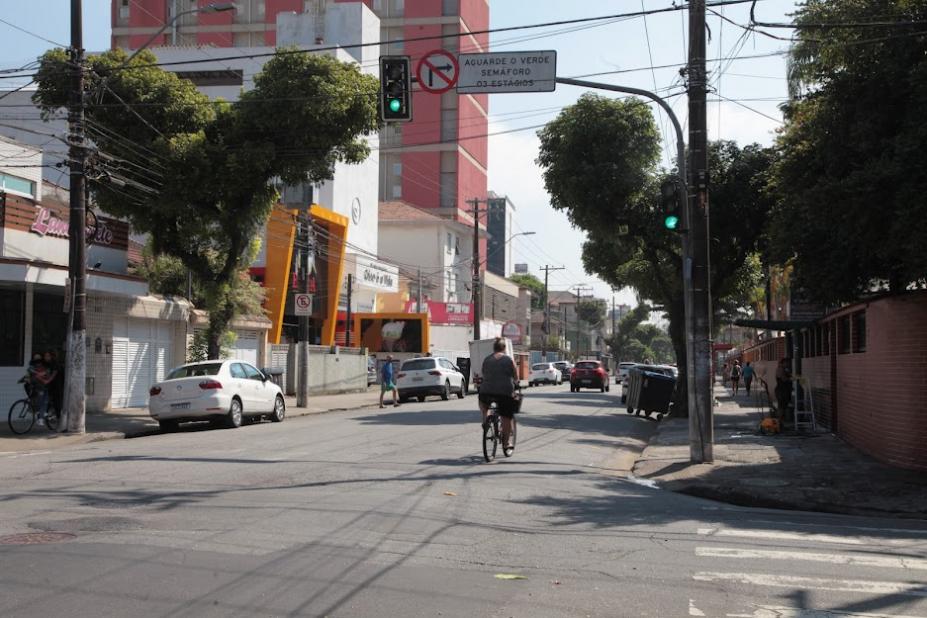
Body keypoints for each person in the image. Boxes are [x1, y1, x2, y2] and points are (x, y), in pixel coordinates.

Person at [478, 338, 520, 449]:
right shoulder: (509, 360)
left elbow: (483, 373)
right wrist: (516, 383)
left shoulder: (487, 359)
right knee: (506, 416)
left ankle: (485, 419)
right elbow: (516, 377)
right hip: (504, 392)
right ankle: (506, 443)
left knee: (483, 404)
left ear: (494, 348)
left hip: (486, 391)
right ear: (504, 348)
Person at [43, 350, 63, 418]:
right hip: (51, 385)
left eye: (47, 356)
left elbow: (53, 375)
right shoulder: (47, 364)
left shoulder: (55, 363)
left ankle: (59, 417)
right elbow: (46, 373)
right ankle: (46, 411)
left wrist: (47, 381)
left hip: (57, 385)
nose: (45, 357)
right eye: (45, 356)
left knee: (57, 402)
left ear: (51, 356)